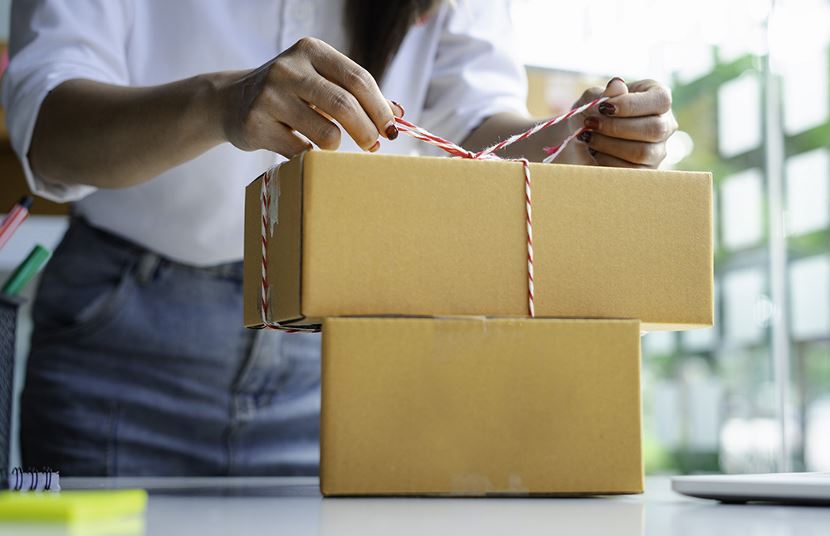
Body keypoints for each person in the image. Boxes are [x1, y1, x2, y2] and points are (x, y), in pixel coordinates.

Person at [2, 0, 677, 476]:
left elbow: (473, 114)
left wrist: (566, 139)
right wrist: (218, 102)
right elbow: (48, 135)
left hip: (348, 342)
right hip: (124, 345)